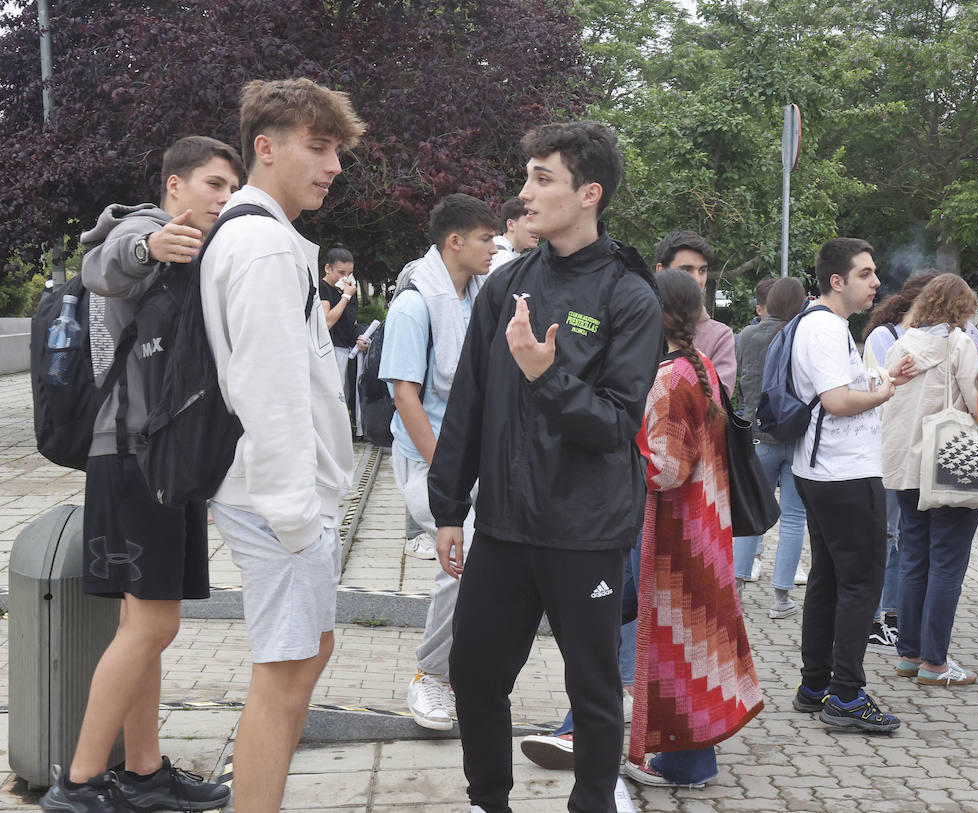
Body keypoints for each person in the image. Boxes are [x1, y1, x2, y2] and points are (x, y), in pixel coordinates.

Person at [427, 121, 662, 813]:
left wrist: (546, 374)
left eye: (543, 178)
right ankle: (487, 800)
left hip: (585, 528)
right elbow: (467, 400)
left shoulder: (630, 296)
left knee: (591, 686)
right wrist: (447, 507)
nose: (525, 192)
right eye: (527, 175)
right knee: (474, 672)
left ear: (589, 194)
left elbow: (617, 425)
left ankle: (593, 799)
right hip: (503, 523)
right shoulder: (507, 286)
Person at [41, 136, 244, 813]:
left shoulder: (201, 249)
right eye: (213, 183)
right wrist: (148, 248)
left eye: (230, 187)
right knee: (150, 628)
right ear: (175, 185)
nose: (222, 197)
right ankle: (80, 781)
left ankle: (145, 772)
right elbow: (104, 264)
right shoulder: (146, 228)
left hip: (157, 457)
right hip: (134, 455)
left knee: (149, 624)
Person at [199, 78, 365, 812]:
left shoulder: (261, 235)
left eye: (336, 150)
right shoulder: (264, 244)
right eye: (318, 146)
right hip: (278, 500)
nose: (332, 165)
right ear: (265, 148)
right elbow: (269, 392)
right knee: (284, 672)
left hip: (280, 494)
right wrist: (299, 514)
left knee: (305, 655)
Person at [622, 268, 764, 788]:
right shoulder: (698, 364)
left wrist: (617, 448)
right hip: (706, 525)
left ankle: (683, 764)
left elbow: (665, 468)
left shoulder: (667, 377)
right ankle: (690, 760)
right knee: (697, 643)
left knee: (676, 644)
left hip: (676, 533)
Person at [380, 194, 500, 729]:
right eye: (484, 238)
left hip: (474, 456)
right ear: (455, 241)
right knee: (464, 557)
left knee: (488, 563)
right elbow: (405, 395)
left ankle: (464, 671)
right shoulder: (414, 304)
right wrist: (445, 472)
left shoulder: (479, 295)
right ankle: (431, 677)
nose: (494, 248)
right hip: (428, 460)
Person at [788, 237, 916, 734]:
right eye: (866, 274)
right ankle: (845, 693)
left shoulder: (825, 325)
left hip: (826, 471)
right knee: (861, 583)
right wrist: (884, 392)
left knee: (828, 579)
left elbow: (840, 388)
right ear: (837, 281)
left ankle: (816, 683)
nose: (877, 282)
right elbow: (837, 401)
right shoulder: (823, 327)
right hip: (843, 473)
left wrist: (885, 377)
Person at [881, 274, 978, 686]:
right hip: (947, 464)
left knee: (913, 558)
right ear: (960, 308)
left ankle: (909, 653)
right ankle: (935, 662)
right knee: (947, 563)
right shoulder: (958, 344)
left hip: (905, 467)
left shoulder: (901, 343)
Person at [860, 272, 935, 652]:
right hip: (886, 446)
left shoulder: (934, 339)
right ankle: (872, 618)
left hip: (917, 449)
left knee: (905, 537)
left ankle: (893, 613)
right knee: (886, 535)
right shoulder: (883, 336)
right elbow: (873, 387)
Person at [732, 276, 809, 618]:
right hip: (795, 437)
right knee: (794, 516)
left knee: (750, 514)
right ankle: (781, 598)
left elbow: (729, 380)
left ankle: (735, 590)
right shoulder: (802, 336)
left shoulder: (747, 336)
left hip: (754, 435)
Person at [654, 231, 736, 392]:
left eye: (702, 271)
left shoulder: (720, 336)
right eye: (686, 270)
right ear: (661, 270)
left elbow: (718, 401)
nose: (697, 280)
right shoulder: (637, 324)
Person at [318, 245, 370, 395]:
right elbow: (326, 322)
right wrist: (345, 297)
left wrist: (360, 337)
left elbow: (351, 321)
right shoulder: (322, 287)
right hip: (329, 350)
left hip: (348, 351)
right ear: (328, 268)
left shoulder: (349, 290)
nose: (345, 278)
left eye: (349, 273)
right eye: (341, 273)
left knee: (346, 397)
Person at [491, 196, 538, 270]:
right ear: (511, 225)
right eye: (529, 223)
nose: (537, 230)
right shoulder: (502, 257)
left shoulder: (509, 256)